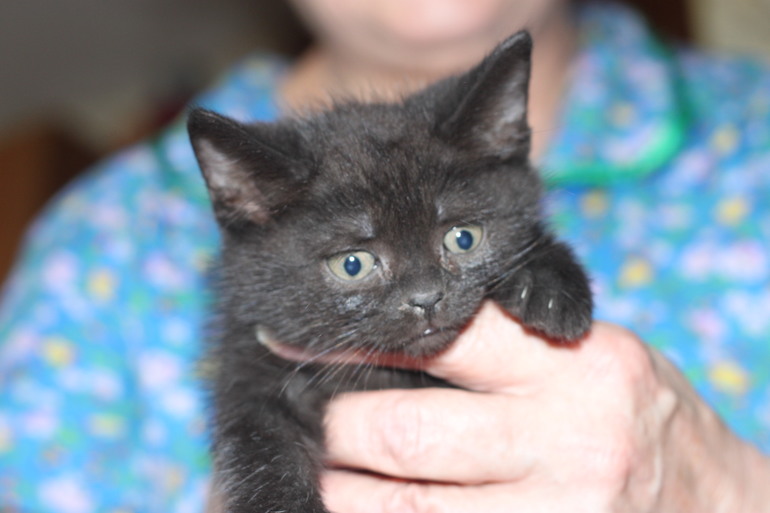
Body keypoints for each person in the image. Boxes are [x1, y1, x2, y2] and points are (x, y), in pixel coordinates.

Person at [1, 0, 769, 511]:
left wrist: (721, 489)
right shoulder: (99, 243)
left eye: (460, 240)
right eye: (355, 263)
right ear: (249, 211)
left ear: (508, 148)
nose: (427, 297)